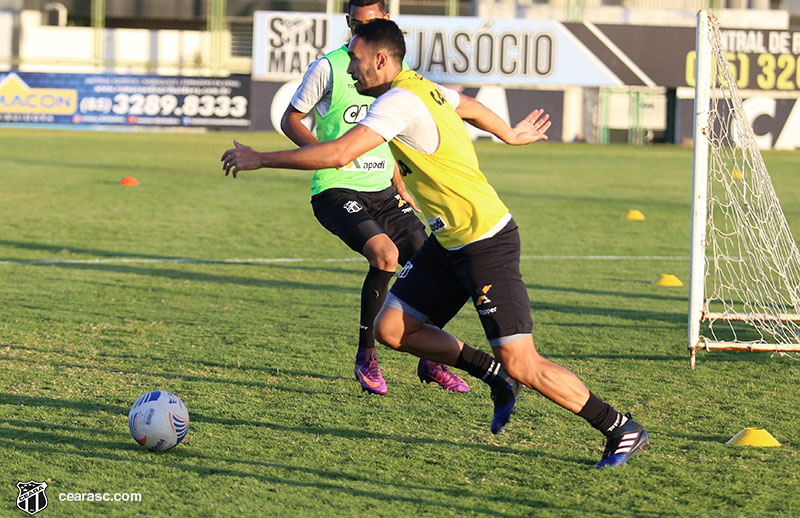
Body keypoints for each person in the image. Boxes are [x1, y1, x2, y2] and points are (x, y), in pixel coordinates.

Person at [221, 19, 649, 467]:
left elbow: (337, 154)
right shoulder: (423, 88)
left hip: (484, 239)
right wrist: (509, 133)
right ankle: (492, 375)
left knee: (523, 361)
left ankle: (619, 426)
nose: (350, 70)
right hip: (448, 242)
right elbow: (472, 107)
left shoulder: (398, 102)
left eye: (357, 60)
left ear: (382, 60)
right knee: (391, 330)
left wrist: (260, 158)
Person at [278, 0, 469, 396]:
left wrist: (399, 180)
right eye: (355, 24)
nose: (359, 30)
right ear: (348, 23)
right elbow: (290, 118)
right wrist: (325, 159)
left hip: (383, 190)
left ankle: (430, 359)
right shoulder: (330, 66)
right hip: (337, 189)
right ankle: (367, 354)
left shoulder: (396, 78)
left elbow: (390, 135)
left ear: (386, 23)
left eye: (372, 23)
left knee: (436, 260)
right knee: (385, 255)